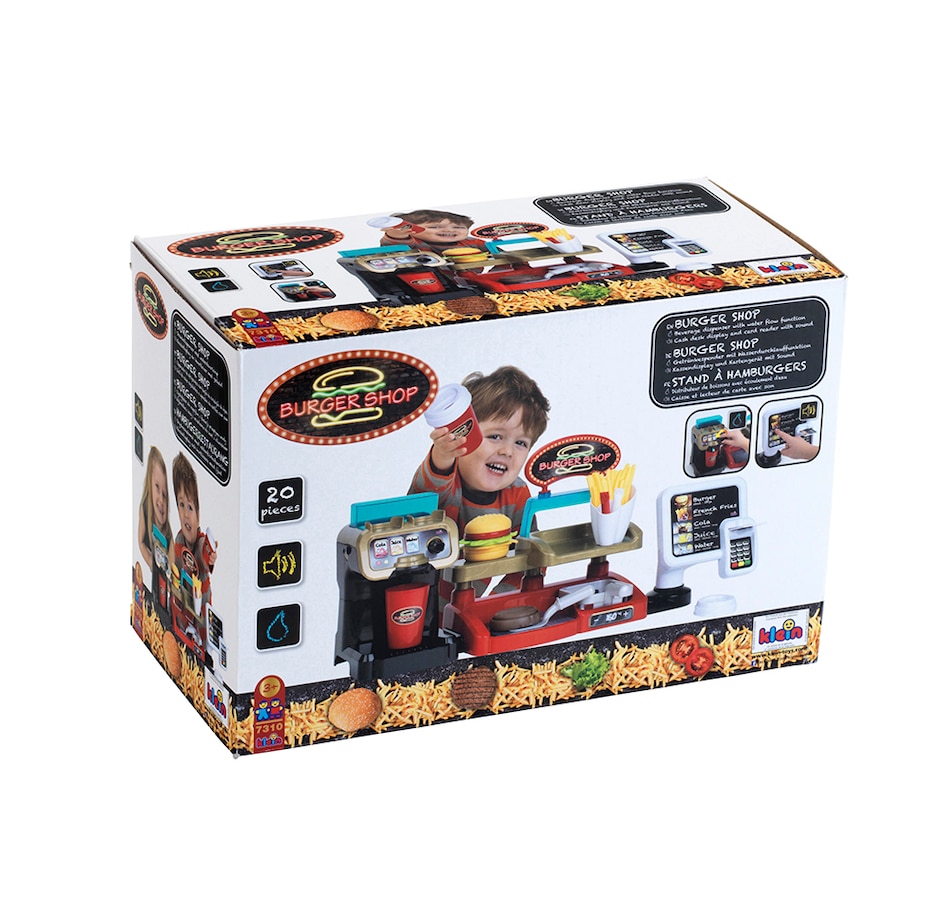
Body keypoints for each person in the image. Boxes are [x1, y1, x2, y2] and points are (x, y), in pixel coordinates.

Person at [409, 366, 550, 594]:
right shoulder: (444, 478)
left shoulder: (516, 494)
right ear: (463, 433)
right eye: (495, 436)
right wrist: (442, 455)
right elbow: (426, 494)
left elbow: (530, 560)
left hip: (469, 604)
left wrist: (498, 605)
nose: (507, 451)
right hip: (413, 601)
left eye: (520, 443)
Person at [172, 452, 216, 641]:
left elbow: (206, 555)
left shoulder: (201, 543)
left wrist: (211, 556)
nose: (185, 514)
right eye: (181, 505)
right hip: (184, 603)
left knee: (204, 633)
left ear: (199, 512)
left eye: (190, 507)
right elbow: (175, 566)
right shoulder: (179, 539)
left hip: (202, 608)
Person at [378, 209, 489, 254]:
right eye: (435, 227)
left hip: (470, 278)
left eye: (459, 227)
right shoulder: (413, 242)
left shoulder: (473, 242)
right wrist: (397, 232)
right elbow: (397, 241)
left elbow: (497, 253)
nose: (449, 230)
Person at [137, 446, 172, 571]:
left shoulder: (168, 531)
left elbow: (172, 564)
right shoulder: (145, 508)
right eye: (157, 487)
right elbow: (141, 541)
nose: (161, 500)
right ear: (149, 484)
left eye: (165, 494)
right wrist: (149, 561)